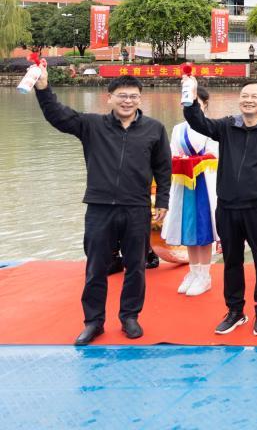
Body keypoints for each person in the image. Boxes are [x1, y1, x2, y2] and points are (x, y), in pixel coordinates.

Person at [34, 73, 171, 346]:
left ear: (140, 99)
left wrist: (163, 202)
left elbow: (163, 168)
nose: (127, 101)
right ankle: (93, 322)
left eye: (133, 96)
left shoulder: (154, 129)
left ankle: (129, 316)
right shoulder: (92, 125)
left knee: (136, 267)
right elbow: (57, 115)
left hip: (136, 208)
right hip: (99, 207)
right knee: (96, 267)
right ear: (109, 98)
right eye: (122, 96)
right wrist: (43, 88)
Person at [184, 80, 257, 337]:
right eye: (244, 95)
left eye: (254, 96)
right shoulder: (227, 125)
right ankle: (235, 311)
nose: (248, 100)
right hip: (228, 207)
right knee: (231, 260)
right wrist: (190, 97)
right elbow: (198, 122)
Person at [163, 85, 219, 298]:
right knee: (188, 228)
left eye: (196, 103)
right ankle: (193, 271)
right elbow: (171, 153)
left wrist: (194, 162)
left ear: (205, 105)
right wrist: (179, 161)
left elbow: (215, 155)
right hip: (183, 183)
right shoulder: (178, 129)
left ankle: (205, 274)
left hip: (204, 183)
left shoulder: (212, 127)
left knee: (204, 229)